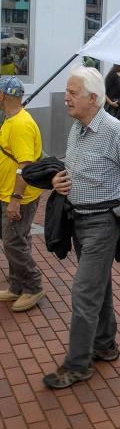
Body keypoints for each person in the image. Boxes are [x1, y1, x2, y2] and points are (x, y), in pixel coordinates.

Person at [43, 66, 120, 389]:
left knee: (83, 292)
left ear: (94, 98)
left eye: (73, 93)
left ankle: (77, 364)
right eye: (66, 91)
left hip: (103, 223)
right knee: (98, 285)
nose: (66, 98)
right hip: (78, 219)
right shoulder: (78, 127)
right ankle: (105, 344)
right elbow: (72, 164)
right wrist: (59, 179)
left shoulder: (115, 133)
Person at [0, 76, 44, 312]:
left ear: (2, 96)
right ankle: (16, 286)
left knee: (14, 242)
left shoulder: (20, 124)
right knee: (14, 241)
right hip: (7, 193)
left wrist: (15, 199)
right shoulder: (11, 120)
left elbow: (25, 166)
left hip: (18, 197)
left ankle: (33, 286)